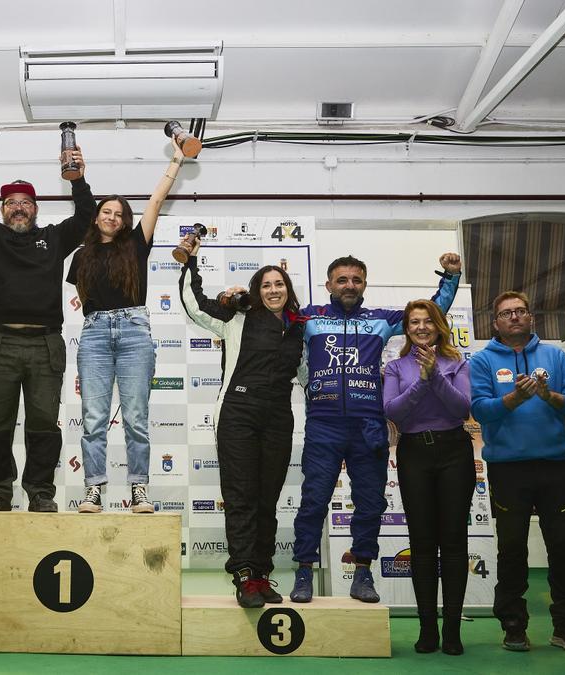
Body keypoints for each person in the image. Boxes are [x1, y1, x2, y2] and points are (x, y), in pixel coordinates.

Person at [289, 252, 461, 605]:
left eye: (356, 280)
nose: (349, 286)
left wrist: (451, 275)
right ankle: (304, 571)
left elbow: (432, 312)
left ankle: (363, 573)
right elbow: (270, 310)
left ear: (364, 284)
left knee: (369, 504)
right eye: (342, 280)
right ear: (329, 285)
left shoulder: (380, 321)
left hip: (368, 425)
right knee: (313, 503)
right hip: (323, 424)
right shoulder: (310, 317)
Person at [0, 129, 96, 512]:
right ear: (2, 210)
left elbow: (86, 217)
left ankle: (40, 493)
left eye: (25, 203)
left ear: (35, 209)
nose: (18, 208)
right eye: (11, 203)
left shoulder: (54, 238)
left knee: (44, 426)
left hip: (45, 345)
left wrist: (78, 178)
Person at [178, 237, 305, 608]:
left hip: (279, 416)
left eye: (279, 283)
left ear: (288, 289)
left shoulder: (300, 327)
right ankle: (245, 576)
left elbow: (309, 375)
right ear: (256, 291)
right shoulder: (237, 317)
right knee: (241, 498)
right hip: (238, 413)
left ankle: (263, 574)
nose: (273, 290)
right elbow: (193, 305)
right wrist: (191, 263)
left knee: (267, 500)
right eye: (266, 285)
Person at [66, 143, 186, 513]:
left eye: (119, 214)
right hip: (96, 334)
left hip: (135, 332)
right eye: (106, 211)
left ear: (126, 221)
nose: (113, 217)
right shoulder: (81, 255)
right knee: (94, 419)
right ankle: (94, 489)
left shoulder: (136, 245)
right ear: (96, 216)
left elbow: (155, 201)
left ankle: (139, 487)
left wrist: (176, 161)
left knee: (135, 417)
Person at [470, 290, 565, 654]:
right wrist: (515, 399)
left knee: (563, 549)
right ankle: (513, 626)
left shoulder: (554, 355)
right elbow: (479, 409)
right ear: (496, 323)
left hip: (554, 466)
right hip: (508, 470)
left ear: (531, 317)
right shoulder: (482, 361)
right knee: (511, 550)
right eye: (506, 313)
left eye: (520, 311)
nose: (515, 317)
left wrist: (549, 396)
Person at [382, 300, 472, 655]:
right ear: (406, 329)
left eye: (427, 322)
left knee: (453, 541)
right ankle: (427, 629)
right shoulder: (396, 366)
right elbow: (394, 412)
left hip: (454, 452)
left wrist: (435, 374)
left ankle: (452, 630)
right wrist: (422, 380)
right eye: (414, 322)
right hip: (415, 452)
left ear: (438, 326)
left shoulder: (457, 362)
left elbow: (462, 408)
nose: (421, 327)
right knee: (421, 542)